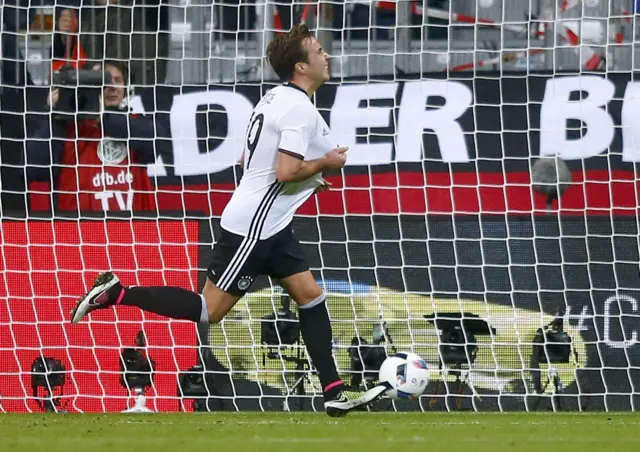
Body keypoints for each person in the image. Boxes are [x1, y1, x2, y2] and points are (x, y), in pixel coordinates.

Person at [70, 24, 387, 416]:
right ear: (302, 66)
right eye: (319, 51)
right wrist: (322, 164)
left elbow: (248, 161)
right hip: (254, 226)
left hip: (272, 223)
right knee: (209, 311)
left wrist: (307, 181)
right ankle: (118, 293)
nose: (328, 56)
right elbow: (286, 171)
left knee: (311, 297)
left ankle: (334, 392)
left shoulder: (275, 98)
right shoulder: (299, 108)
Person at [26, 60, 162, 212]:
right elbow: (34, 170)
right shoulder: (67, 129)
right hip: (80, 230)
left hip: (131, 229)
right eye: (104, 81)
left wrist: (102, 118)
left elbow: (156, 145)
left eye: (118, 81)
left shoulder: (134, 123)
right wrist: (53, 116)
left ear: (126, 88)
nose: (112, 87)